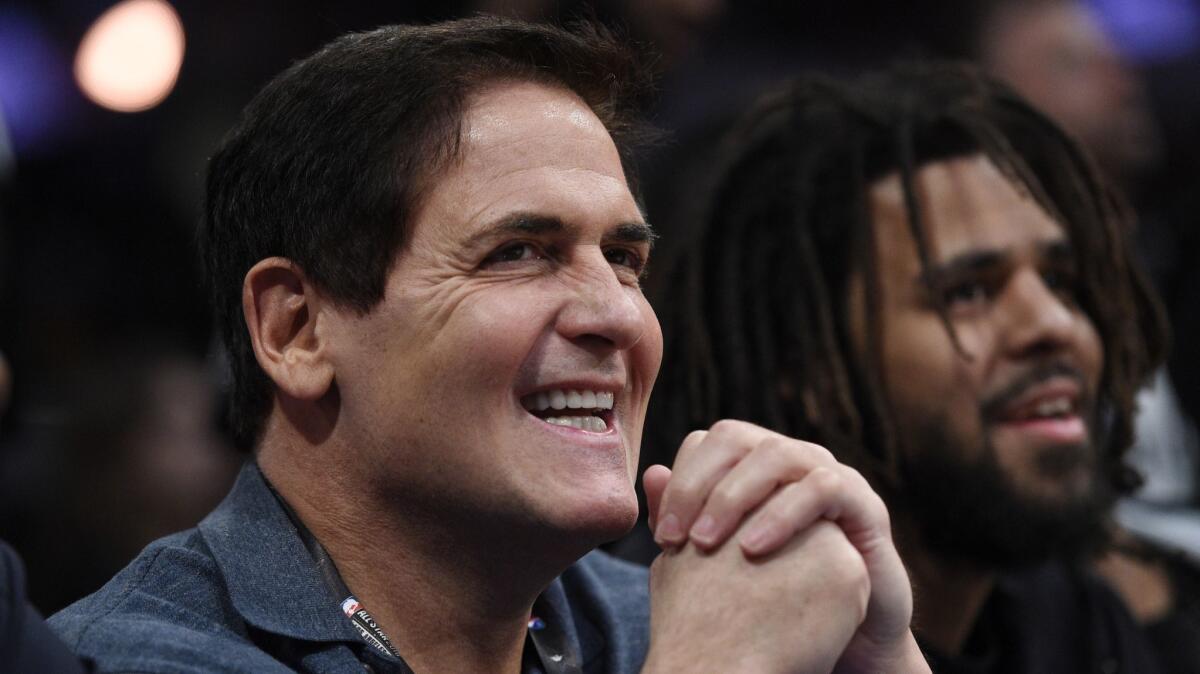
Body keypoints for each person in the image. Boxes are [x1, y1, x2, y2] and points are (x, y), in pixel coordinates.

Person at [48, 17, 927, 674]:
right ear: (296, 329)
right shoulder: (132, 658)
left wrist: (879, 658)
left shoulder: (660, 621)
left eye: (624, 260)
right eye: (519, 253)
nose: (615, 316)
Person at [647, 63, 1170, 673]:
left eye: (1060, 280)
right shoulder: (684, 637)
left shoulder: (1076, 622)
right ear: (809, 362)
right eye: (968, 292)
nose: (1054, 324)